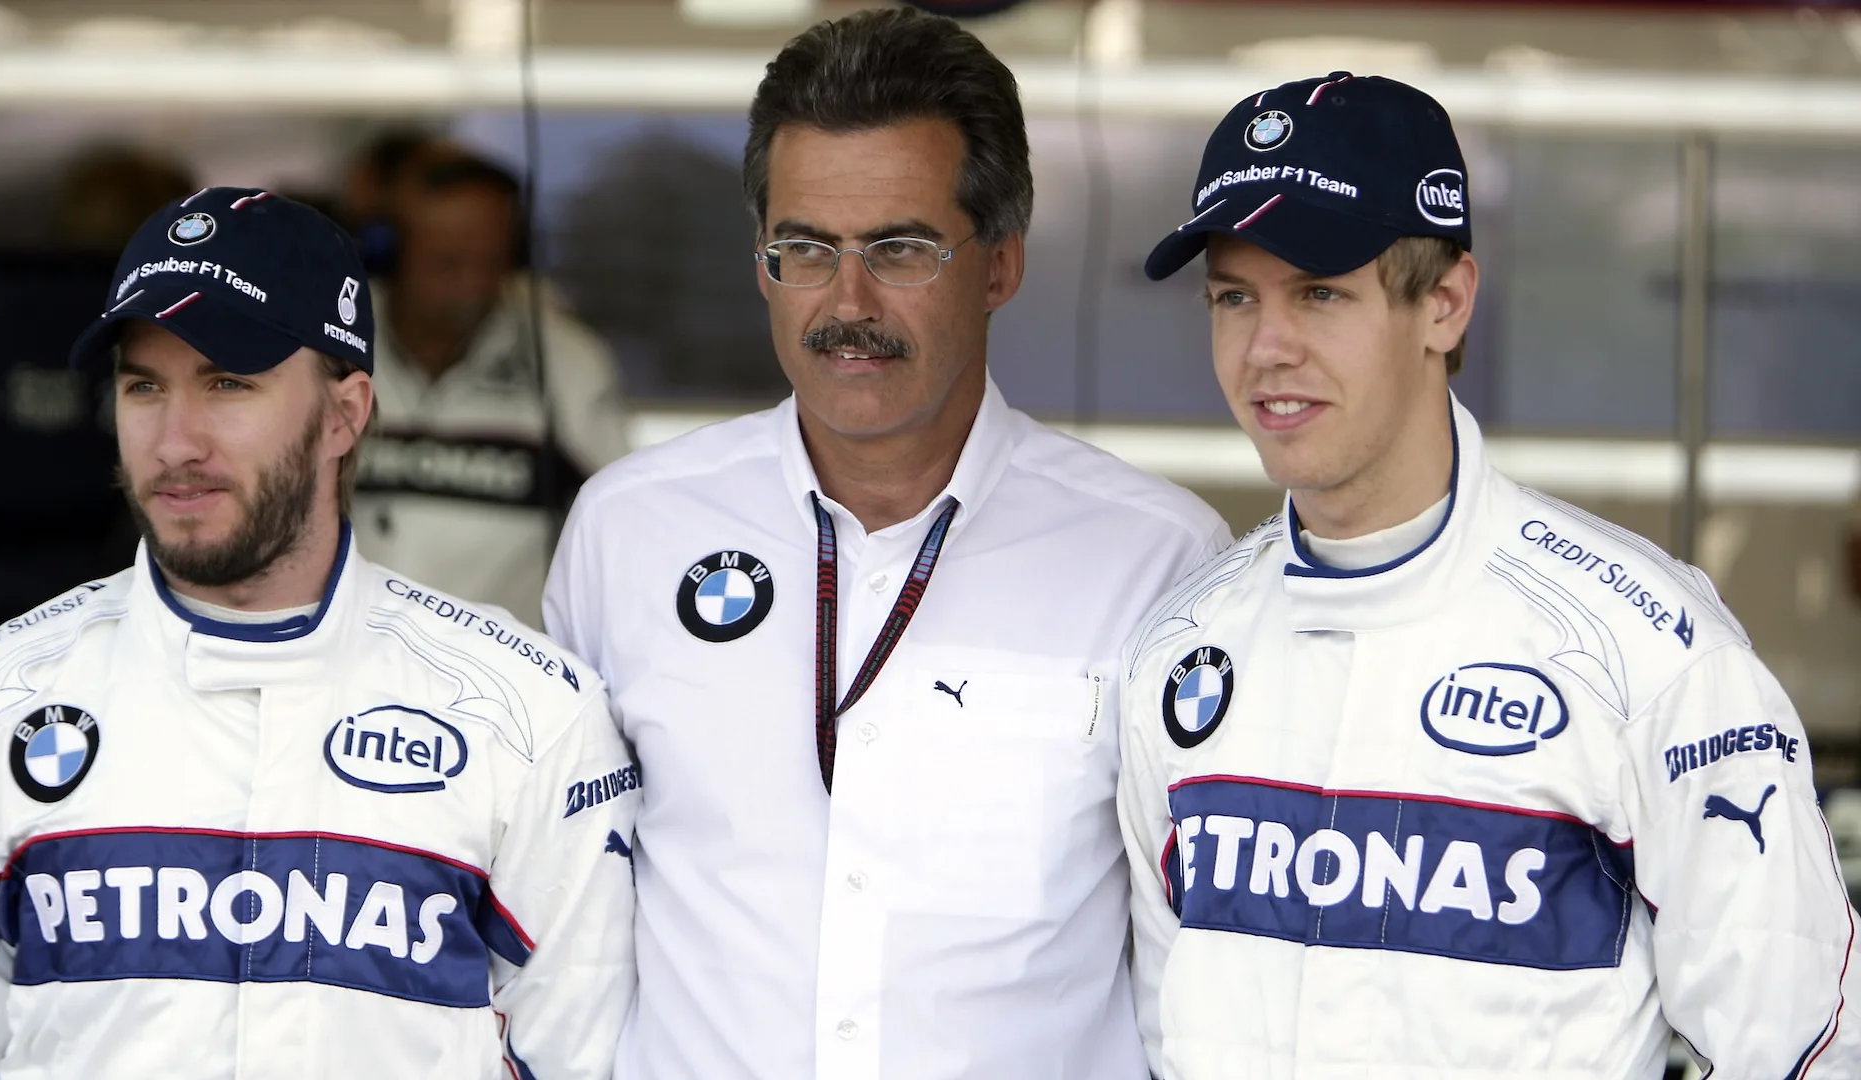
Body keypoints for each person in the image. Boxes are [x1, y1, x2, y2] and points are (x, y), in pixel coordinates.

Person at [1118, 73, 1860, 1078]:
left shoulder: (1648, 650)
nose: (1267, 349)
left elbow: (1807, 1045)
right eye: (1234, 298)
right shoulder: (1177, 656)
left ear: (1447, 305)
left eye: (1320, 292)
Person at [541, 8, 1228, 1080]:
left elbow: (1202, 973)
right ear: (762, 262)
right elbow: (564, 924)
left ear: (999, 266)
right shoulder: (628, 532)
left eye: (900, 249)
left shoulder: (1155, 560)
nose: (846, 303)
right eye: (806, 250)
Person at [0, 188, 636, 1078]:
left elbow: (580, 1057)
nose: (176, 441)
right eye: (143, 385)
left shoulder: (531, 717)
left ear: (345, 414)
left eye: (229, 382)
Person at [357, 154, 629, 629]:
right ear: (390, 251)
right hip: (346, 658)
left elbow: (624, 516)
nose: (472, 285)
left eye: (491, 263)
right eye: (449, 263)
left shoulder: (565, 360)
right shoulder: (333, 341)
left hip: (505, 672)